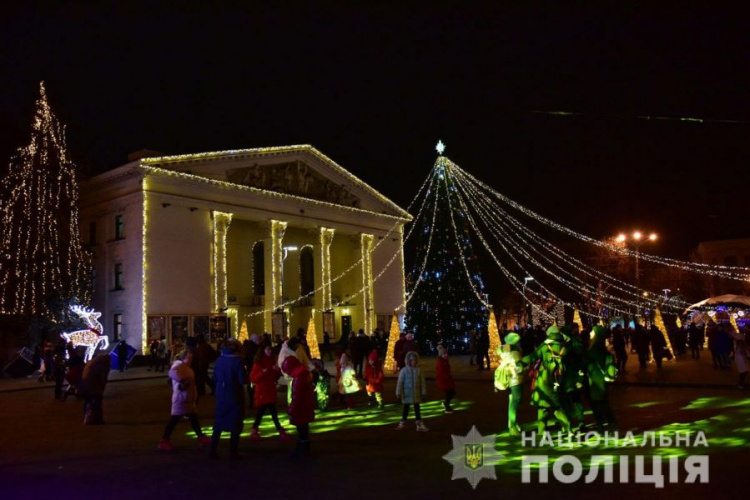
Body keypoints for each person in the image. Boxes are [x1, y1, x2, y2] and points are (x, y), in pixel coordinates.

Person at [520, 325, 571, 434]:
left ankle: (541, 433)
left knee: (543, 409)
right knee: (558, 408)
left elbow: (533, 356)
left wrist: (521, 362)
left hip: (544, 380)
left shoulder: (544, 347)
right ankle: (568, 430)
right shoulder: (564, 347)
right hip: (558, 381)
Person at [158, 350, 211, 451]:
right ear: (183, 358)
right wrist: (182, 380)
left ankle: (201, 437)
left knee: (193, 419)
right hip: (181, 399)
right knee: (174, 420)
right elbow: (172, 372)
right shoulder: (178, 365)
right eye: (188, 358)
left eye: (191, 358)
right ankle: (164, 441)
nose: (190, 360)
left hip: (187, 399)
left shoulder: (185, 366)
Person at [209, 339, 246, 459]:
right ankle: (233, 452)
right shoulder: (237, 361)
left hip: (221, 394)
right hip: (234, 394)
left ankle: (212, 450)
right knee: (235, 424)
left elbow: (214, 377)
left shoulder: (219, 360)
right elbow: (242, 380)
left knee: (219, 422)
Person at [249, 342, 290, 441]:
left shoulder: (272, 360)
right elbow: (253, 378)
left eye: (270, 349)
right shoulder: (258, 363)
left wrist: (277, 371)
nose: (270, 351)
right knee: (264, 412)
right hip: (263, 391)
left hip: (270, 390)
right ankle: (278, 430)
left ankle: (256, 430)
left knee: (269, 412)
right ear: (263, 351)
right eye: (268, 349)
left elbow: (275, 376)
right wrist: (262, 373)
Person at [281, 355, 316, 457]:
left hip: (301, 408)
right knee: (303, 429)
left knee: (302, 429)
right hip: (306, 406)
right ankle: (303, 448)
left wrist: (292, 409)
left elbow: (297, 396)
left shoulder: (299, 378)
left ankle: (303, 449)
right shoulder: (303, 374)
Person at [587, 326, 618, 431]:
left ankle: (609, 425)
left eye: (593, 331)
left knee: (599, 404)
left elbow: (588, 363)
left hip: (596, 380)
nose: (590, 333)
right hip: (599, 379)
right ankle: (608, 425)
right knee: (602, 403)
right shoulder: (602, 348)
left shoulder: (594, 349)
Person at [494, 332, 524, 436]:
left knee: (511, 402)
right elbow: (518, 368)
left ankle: (512, 423)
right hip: (515, 380)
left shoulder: (503, 349)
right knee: (514, 404)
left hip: (507, 379)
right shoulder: (515, 351)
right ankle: (512, 426)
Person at [395, 351, 428, 431]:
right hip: (407, 394)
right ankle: (402, 423)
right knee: (406, 409)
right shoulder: (404, 371)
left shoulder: (419, 371)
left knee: (417, 409)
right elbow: (400, 382)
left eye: (415, 360)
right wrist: (398, 392)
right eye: (412, 360)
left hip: (416, 394)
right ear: (409, 361)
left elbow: (422, 383)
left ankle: (419, 424)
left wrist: (423, 392)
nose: (414, 362)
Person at [78, 354, 111, 425]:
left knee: (87, 401)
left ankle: (87, 417)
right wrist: (102, 388)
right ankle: (97, 419)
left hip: (84, 384)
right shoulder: (103, 365)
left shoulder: (92, 363)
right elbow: (103, 378)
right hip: (93, 385)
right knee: (97, 402)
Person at [435, 345, 455, 413]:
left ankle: (446, 404)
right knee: (449, 393)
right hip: (444, 381)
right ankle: (447, 407)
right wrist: (446, 376)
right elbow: (440, 372)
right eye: (444, 354)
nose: (446, 355)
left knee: (451, 393)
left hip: (447, 380)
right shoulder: (441, 362)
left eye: (446, 354)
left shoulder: (445, 361)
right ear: (441, 355)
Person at [728, 325, 748, 389]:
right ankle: (740, 384)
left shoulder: (737, 345)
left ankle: (740, 383)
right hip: (741, 361)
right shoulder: (739, 346)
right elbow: (745, 353)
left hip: (741, 361)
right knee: (743, 372)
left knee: (743, 372)